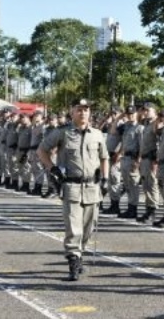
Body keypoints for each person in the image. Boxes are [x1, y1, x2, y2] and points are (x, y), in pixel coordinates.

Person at [38, 99, 108, 281]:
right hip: (71, 186)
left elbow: (104, 157)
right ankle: (73, 260)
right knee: (73, 227)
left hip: (92, 186)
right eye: (79, 110)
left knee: (88, 227)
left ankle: (79, 253)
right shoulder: (62, 133)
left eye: (86, 110)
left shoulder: (98, 134)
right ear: (72, 112)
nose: (83, 113)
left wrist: (106, 179)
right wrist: (52, 168)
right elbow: (42, 150)